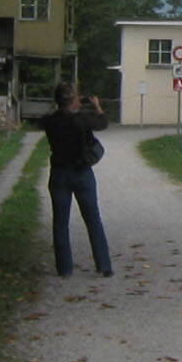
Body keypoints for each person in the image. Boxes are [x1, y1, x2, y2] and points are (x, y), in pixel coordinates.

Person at [39, 82, 113, 278]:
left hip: (59, 174)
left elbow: (50, 120)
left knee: (60, 223)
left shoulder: (49, 121)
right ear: (73, 100)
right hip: (81, 172)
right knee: (92, 219)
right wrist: (97, 106)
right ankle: (103, 265)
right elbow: (103, 123)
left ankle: (64, 269)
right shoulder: (82, 120)